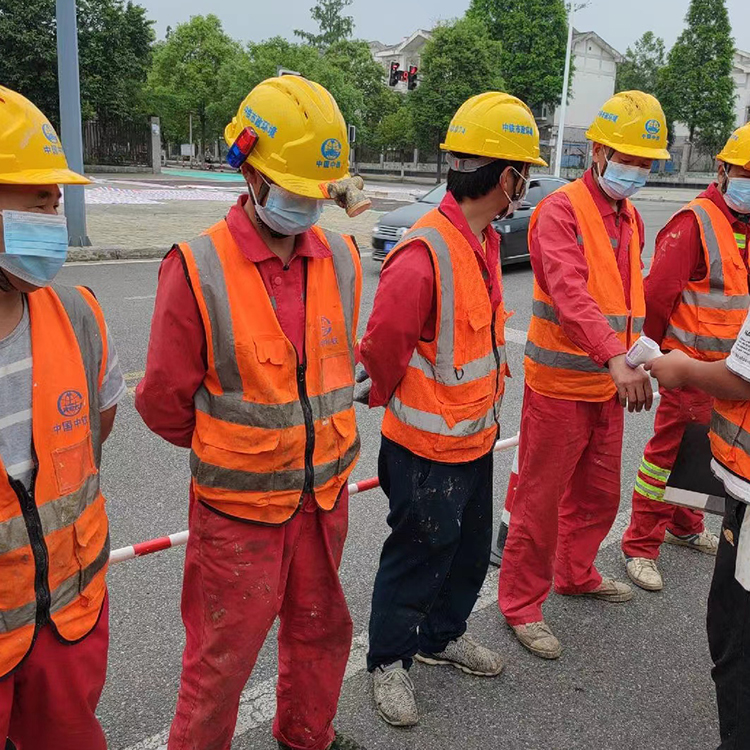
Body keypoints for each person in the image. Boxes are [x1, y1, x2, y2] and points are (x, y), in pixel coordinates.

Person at [135, 76, 363, 750]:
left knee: (322, 636)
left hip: (323, 502)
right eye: (294, 187)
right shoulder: (198, 266)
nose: (307, 203)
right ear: (251, 172)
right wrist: (241, 451)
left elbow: (333, 371)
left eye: (316, 191)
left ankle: (306, 735)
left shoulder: (342, 259)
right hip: (238, 519)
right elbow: (164, 405)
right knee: (219, 669)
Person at [358, 92, 546, 727]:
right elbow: (382, 350)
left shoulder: (484, 242)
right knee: (418, 551)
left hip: (473, 439)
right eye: (527, 174)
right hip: (422, 448)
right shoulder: (425, 252)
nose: (528, 185)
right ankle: (389, 662)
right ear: (507, 178)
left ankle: (441, 636)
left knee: (464, 551)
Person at [498, 91, 671, 661]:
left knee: (598, 495)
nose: (637, 172)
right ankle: (521, 605)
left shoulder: (631, 218)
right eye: (629, 158)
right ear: (597, 150)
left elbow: (623, 300)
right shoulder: (562, 210)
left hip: (608, 384)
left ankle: (574, 573)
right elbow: (570, 294)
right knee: (539, 502)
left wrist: (638, 356)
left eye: (647, 163)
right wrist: (615, 358)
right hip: (560, 388)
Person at [0, 86, 126, 748]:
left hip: (68, 623)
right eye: (36, 198)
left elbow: (94, 437)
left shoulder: (77, 315)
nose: (54, 213)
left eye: (58, 198)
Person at [620, 125, 750, 591]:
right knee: (665, 456)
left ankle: (685, 524)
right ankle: (640, 544)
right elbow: (656, 297)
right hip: (686, 368)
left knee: (705, 453)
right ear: (723, 169)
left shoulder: (744, 224)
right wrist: (650, 360)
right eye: (746, 172)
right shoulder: (694, 222)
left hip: (724, 375)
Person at [647, 224, 750, 748]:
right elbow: (658, 291)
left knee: (735, 636)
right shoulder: (695, 222)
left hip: (748, 490)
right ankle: (648, 539)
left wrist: (683, 369)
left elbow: (744, 378)